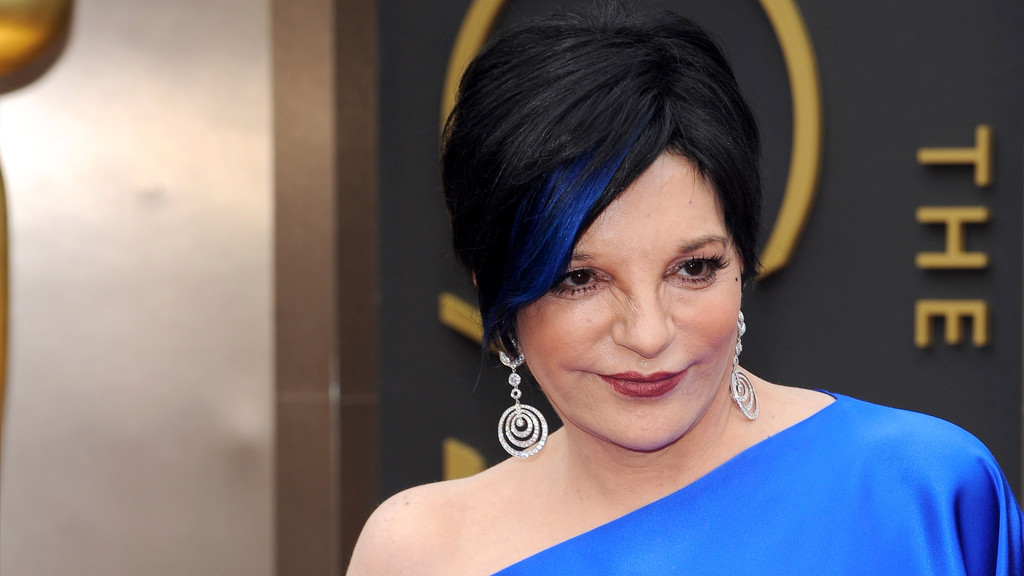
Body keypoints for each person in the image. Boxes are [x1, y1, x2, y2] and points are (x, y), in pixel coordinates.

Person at [348, 4, 1024, 574]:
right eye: (579, 279)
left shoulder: (927, 493)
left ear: (742, 258)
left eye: (693, 268)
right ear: (494, 287)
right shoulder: (425, 552)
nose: (648, 333)